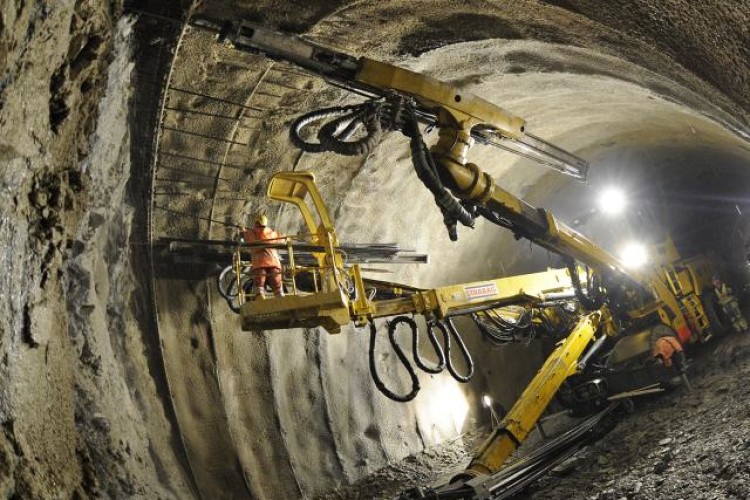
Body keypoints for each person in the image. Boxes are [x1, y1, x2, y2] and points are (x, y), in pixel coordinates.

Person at [242, 214, 285, 299]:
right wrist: (285, 237)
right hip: (272, 262)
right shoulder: (271, 232)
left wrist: (242, 230)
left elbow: (244, 236)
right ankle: (281, 298)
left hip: (260, 263)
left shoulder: (251, 233)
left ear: (256, 223)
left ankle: (261, 298)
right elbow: (282, 239)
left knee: (261, 282)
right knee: (275, 282)